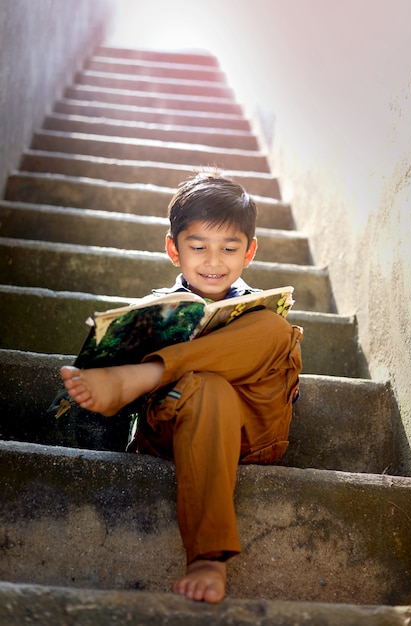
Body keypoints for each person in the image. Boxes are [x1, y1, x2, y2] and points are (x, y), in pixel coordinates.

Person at [60, 173, 303, 604]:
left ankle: (150, 372)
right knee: (207, 388)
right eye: (198, 246)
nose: (214, 260)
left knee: (275, 329)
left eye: (229, 248)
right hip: (176, 428)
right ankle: (209, 558)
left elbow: (283, 389)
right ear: (173, 248)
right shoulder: (158, 310)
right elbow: (89, 409)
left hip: (254, 433)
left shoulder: (262, 311)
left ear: (250, 251)